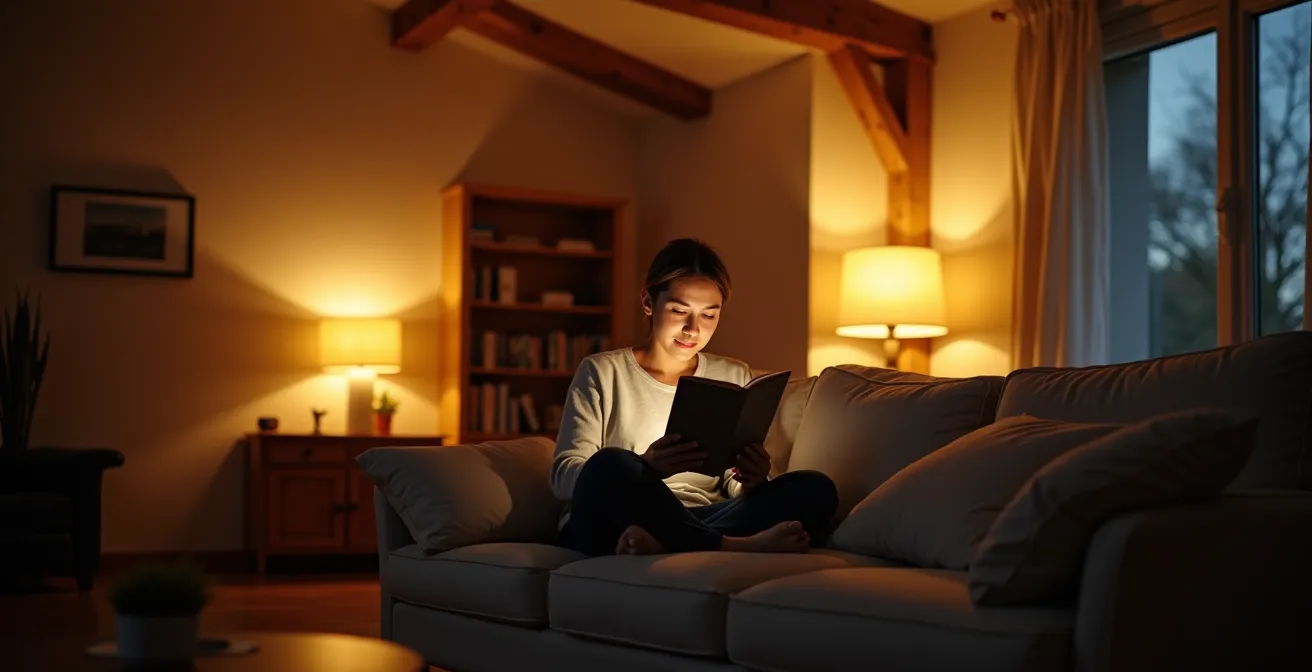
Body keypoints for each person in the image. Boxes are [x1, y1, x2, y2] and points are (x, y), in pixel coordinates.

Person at [551, 238, 838, 556]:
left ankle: (667, 543)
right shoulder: (602, 371)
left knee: (815, 487)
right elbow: (564, 477)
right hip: (616, 521)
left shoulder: (732, 374)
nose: (692, 329)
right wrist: (647, 467)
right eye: (679, 311)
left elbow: (730, 481)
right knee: (610, 463)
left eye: (709, 315)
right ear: (648, 302)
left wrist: (752, 479)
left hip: (699, 517)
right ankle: (727, 545)